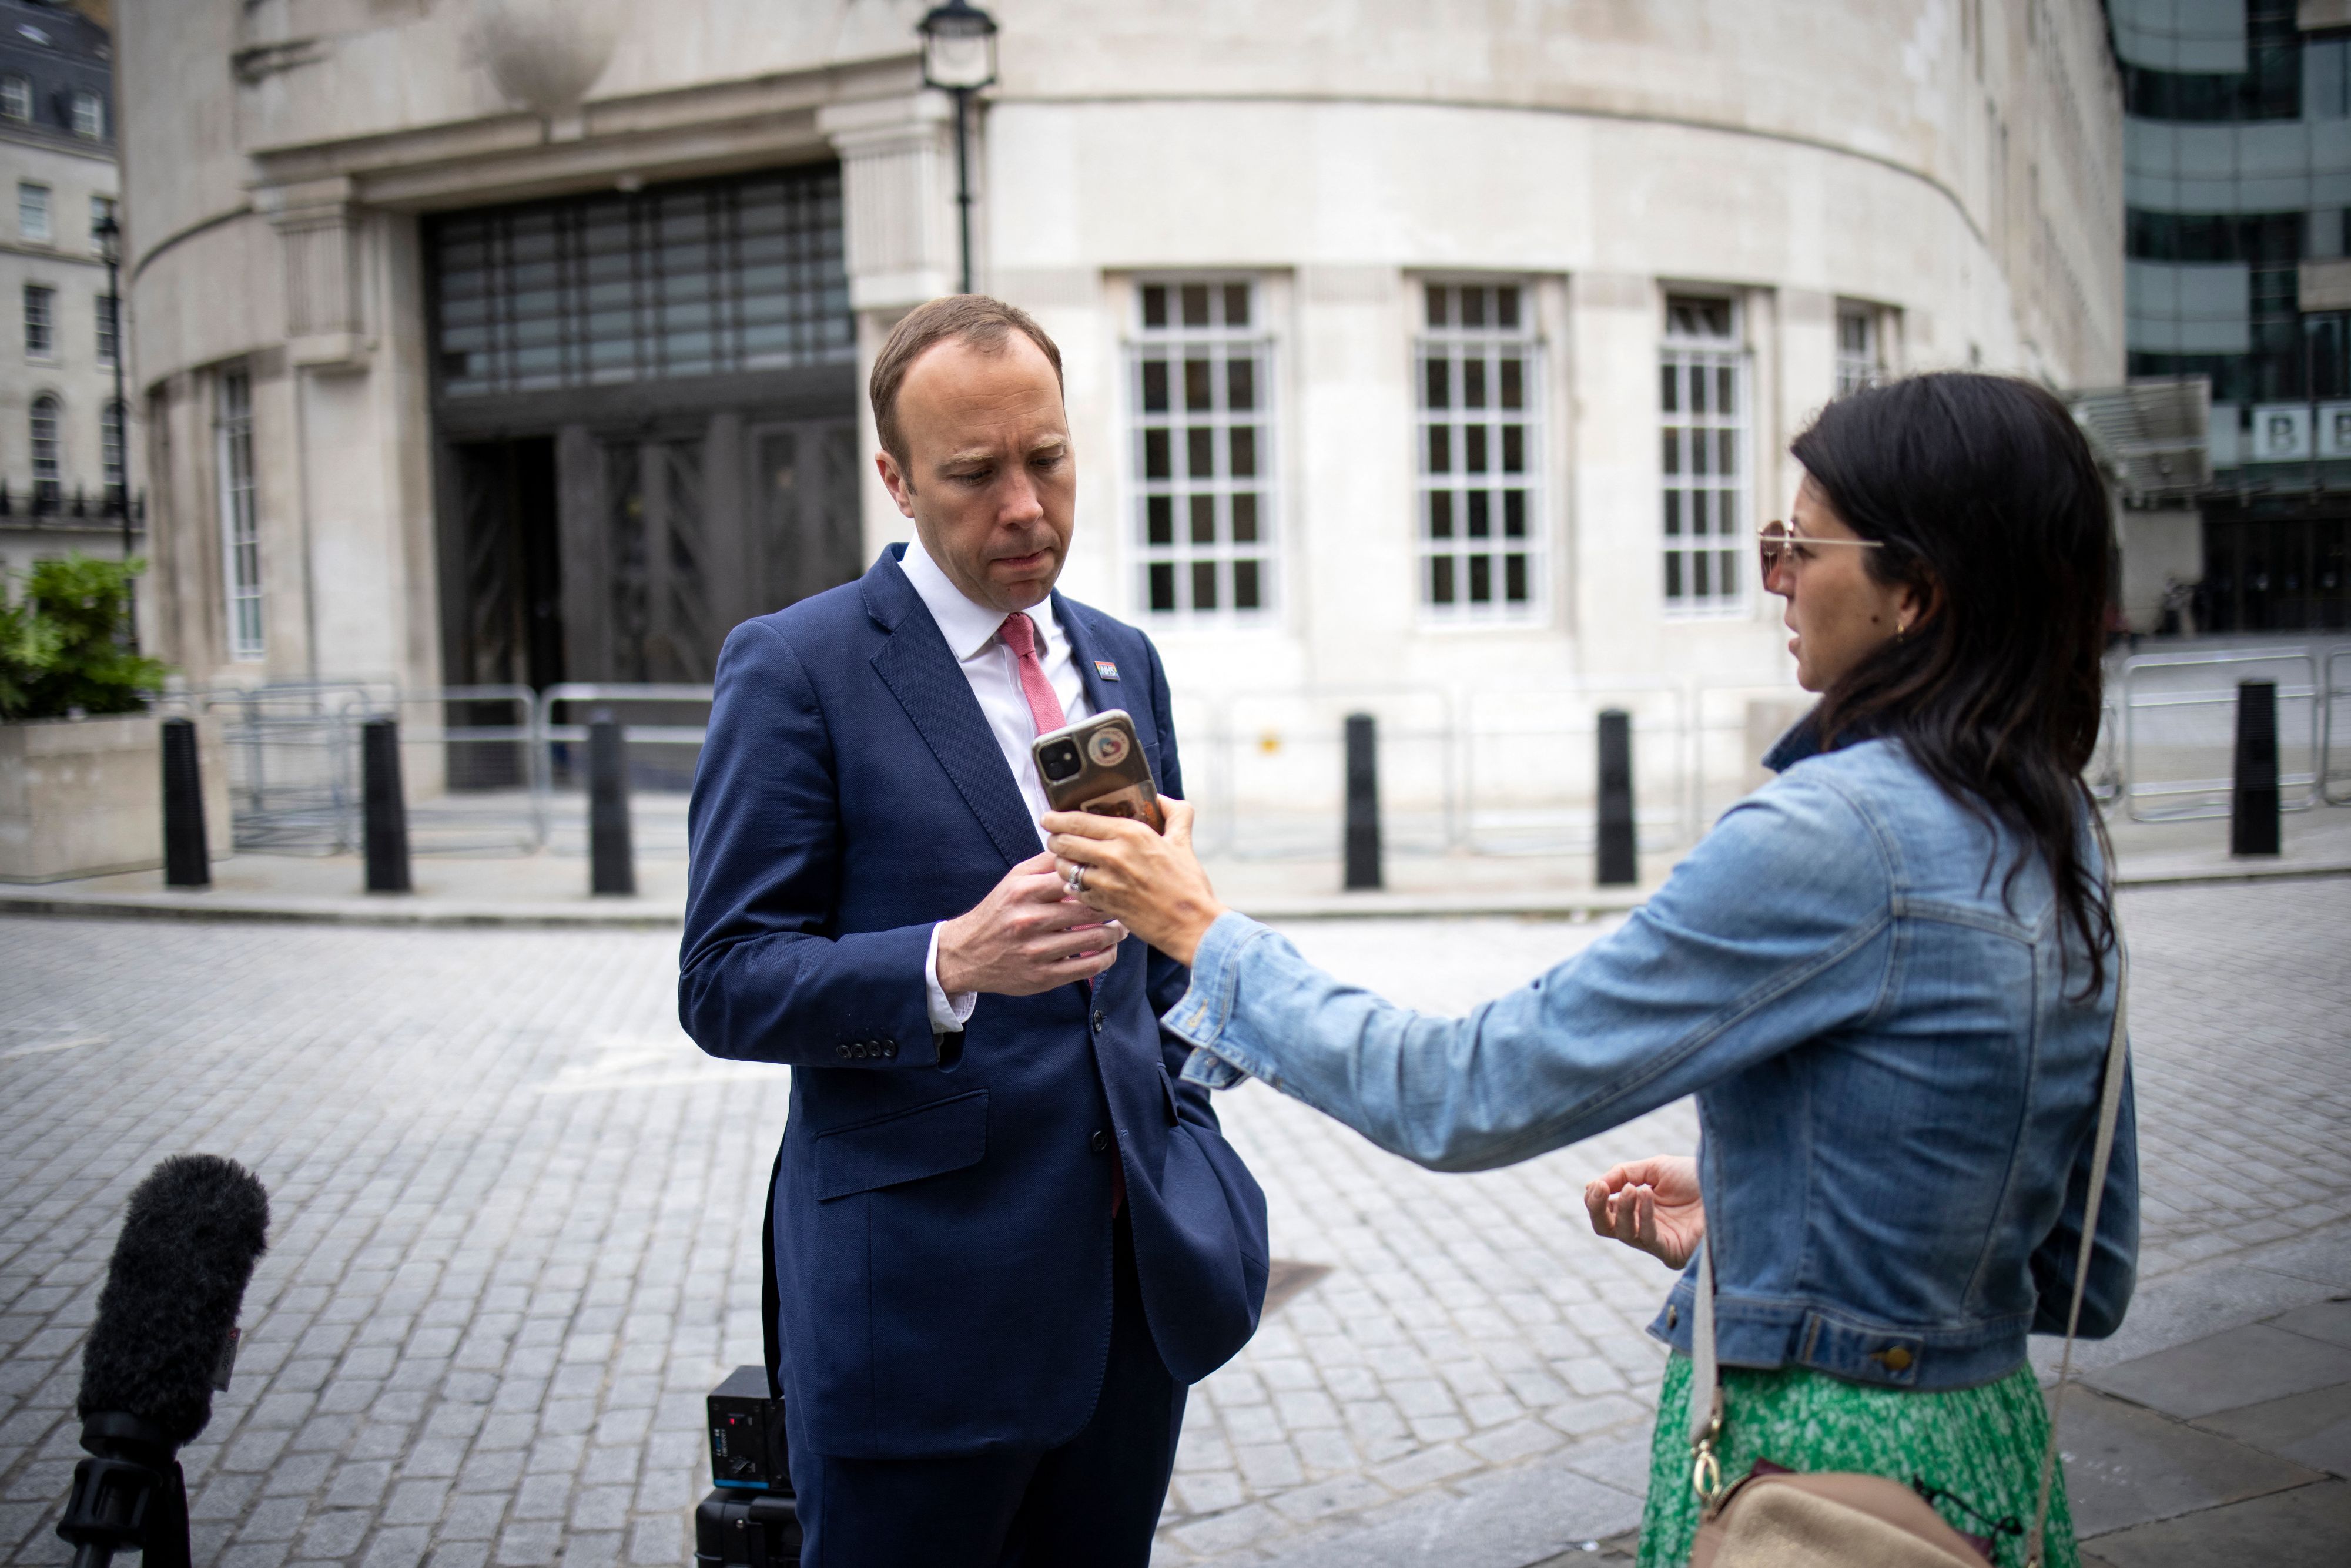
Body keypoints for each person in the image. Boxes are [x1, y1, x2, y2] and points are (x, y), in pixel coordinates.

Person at [1047, 373, 2137, 1567]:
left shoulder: (1833, 836)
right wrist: (1770, 1214)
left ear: (1915, 591)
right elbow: (2085, 1268)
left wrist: (1201, 929)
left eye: (1798, 545)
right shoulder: (2052, 818)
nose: (1774, 578)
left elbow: (1461, 1090)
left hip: (1818, 1478)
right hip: (1991, 1461)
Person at [679, 295, 1268, 1568]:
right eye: (973, 473)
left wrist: (1185, 1119)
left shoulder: (1120, 659)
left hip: (1126, 1304)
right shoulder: (796, 667)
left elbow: (1156, 962)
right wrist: (947, 961)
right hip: (917, 1319)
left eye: (1047, 459)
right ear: (896, 480)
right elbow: (723, 979)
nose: (1024, 506)